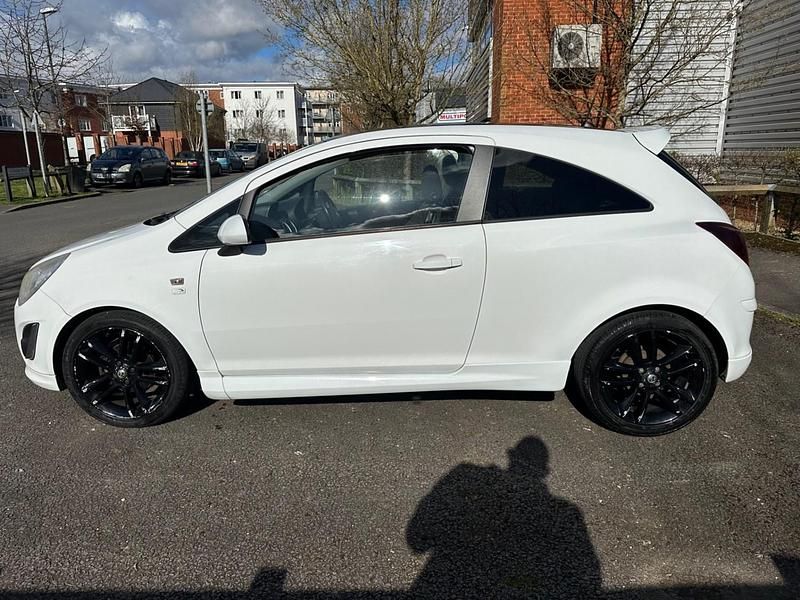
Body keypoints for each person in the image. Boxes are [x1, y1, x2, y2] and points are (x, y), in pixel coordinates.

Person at [407, 436, 602, 599]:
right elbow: (588, 576)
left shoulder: (466, 473)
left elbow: (417, 541)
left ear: (512, 456)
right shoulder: (567, 512)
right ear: (545, 471)